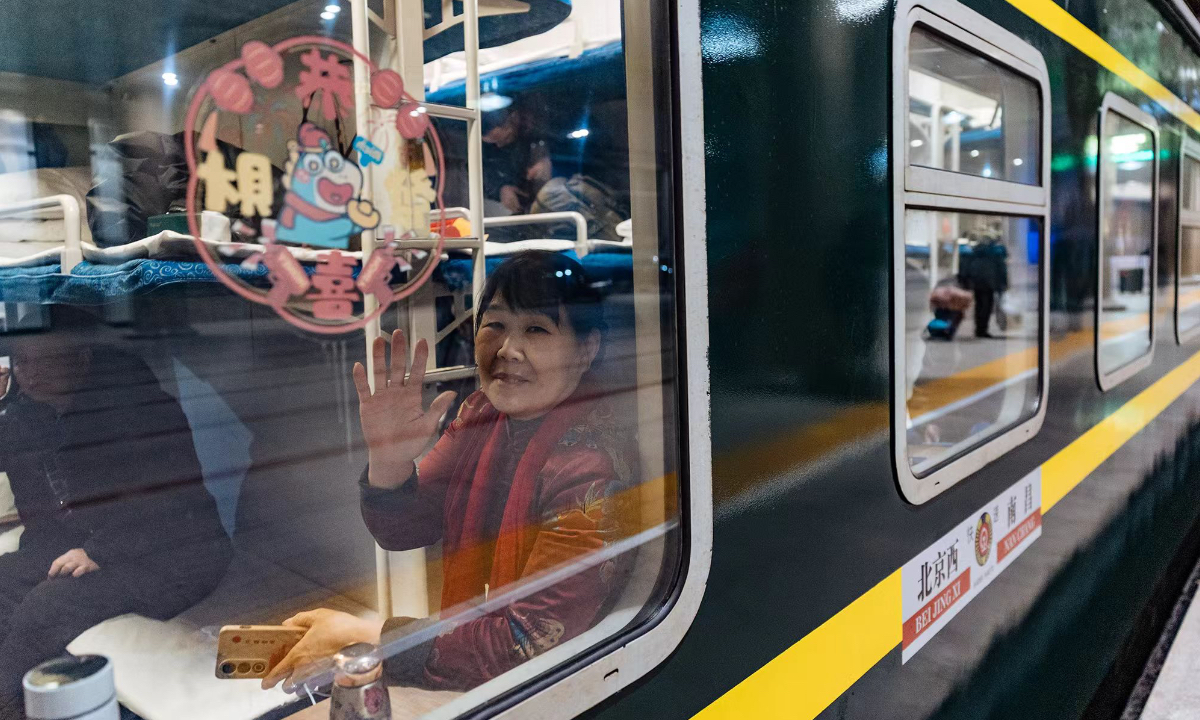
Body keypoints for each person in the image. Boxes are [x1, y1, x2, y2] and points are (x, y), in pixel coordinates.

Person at [262, 251, 637, 692]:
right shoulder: (482, 414)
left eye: (536, 329)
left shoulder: (590, 469)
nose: (507, 350)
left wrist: (367, 638)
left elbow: (527, 641)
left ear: (586, 349)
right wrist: (389, 458)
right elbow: (403, 530)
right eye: (494, 325)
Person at [0, 328, 231, 719]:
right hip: (79, 545)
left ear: (82, 360)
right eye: (21, 362)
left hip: (177, 553)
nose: (29, 373)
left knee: (48, 604)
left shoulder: (142, 411)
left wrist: (100, 551)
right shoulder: (27, 417)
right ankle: (26, 695)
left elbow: (171, 503)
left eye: (42, 360)